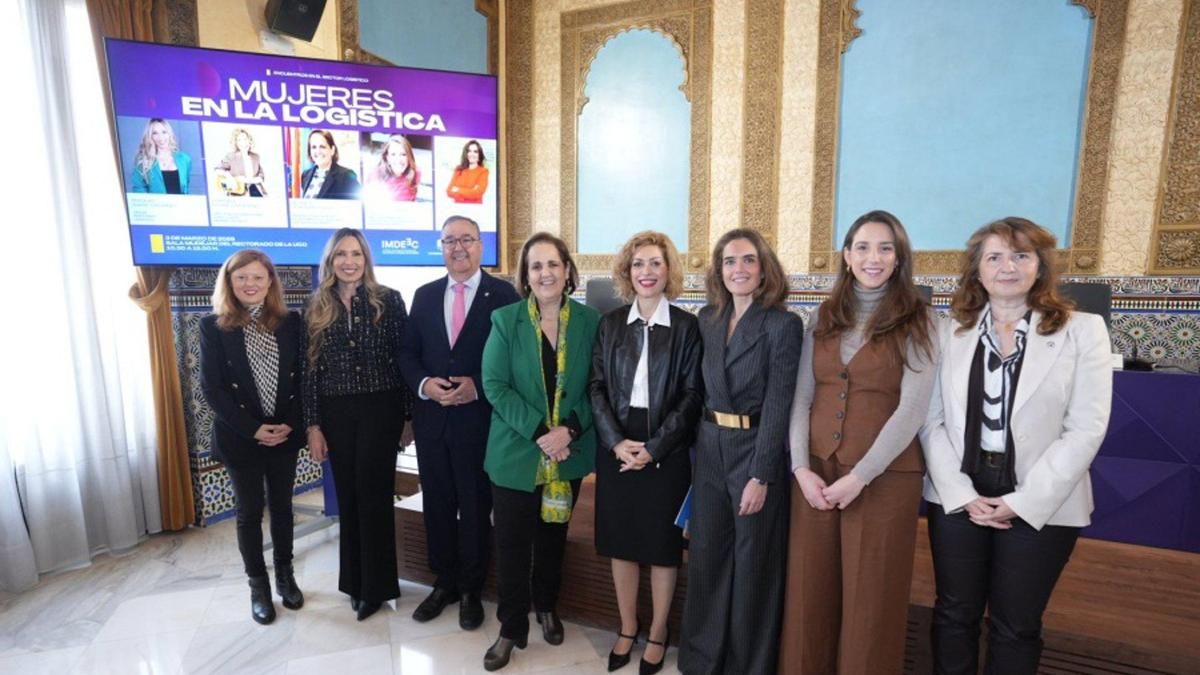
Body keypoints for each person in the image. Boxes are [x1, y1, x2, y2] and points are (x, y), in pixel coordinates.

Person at [921, 217, 1112, 674]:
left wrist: (1023, 502)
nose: (1007, 266)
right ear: (977, 270)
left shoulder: (1083, 331)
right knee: (953, 615)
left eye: (1021, 255)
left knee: (1016, 624)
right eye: (995, 256)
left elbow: (1086, 427)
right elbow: (932, 422)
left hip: (1042, 498)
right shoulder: (949, 332)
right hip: (958, 493)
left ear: (1040, 266)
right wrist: (963, 494)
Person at [778, 210, 937, 673]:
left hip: (884, 479)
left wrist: (862, 475)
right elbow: (801, 398)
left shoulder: (920, 320)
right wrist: (799, 469)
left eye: (885, 248)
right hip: (816, 474)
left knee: (872, 601)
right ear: (847, 256)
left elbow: (912, 410)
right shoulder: (822, 317)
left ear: (899, 257)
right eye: (863, 247)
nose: (874, 257)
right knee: (810, 592)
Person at [679, 228, 803, 675]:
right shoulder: (707, 318)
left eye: (748, 260)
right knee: (708, 559)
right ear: (719, 270)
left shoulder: (783, 324)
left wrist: (762, 474)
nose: (739, 269)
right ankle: (700, 661)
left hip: (756, 451)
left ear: (764, 267)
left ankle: (747, 665)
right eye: (729, 261)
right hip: (710, 450)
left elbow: (779, 403)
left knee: (753, 566)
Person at [479, 232, 601, 671]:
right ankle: (511, 627)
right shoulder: (504, 320)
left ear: (567, 270)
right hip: (516, 453)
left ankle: (547, 606)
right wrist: (540, 432)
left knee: (553, 539)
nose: (545, 273)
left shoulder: (591, 322)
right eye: (536, 266)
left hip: (568, 452)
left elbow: (598, 388)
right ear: (525, 276)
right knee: (512, 545)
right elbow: (494, 384)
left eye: (553, 264)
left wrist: (567, 430)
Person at [588, 231, 702, 674]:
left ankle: (658, 631)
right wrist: (616, 441)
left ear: (668, 270)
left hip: (665, 448)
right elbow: (596, 387)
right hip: (617, 441)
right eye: (638, 264)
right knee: (622, 542)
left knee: (660, 546)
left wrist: (654, 449)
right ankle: (627, 626)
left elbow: (692, 396)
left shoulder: (688, 327)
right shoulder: (611, 323)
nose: (647, 272)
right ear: (626, 271)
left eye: (656, 263)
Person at [399, 216, 519, 630]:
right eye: (449, 240)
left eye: (466, 239)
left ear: (481, 245)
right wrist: (424, 385)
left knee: (473, 507)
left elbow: (515, 364)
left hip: (480, 424)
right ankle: (443, 582)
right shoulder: (425, 295)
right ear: (441, 247)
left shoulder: (505, 296)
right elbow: (408, 356)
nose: (458, 248)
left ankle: (471, 589)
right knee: (436, 504)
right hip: (433, 423)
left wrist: (479, 389)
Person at [302, 228, 412, 621]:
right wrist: (313, 425)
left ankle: (378, 588)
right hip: (335, 413)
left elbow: (405, 361)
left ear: (366, 259)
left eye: (357, 254)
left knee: (375, 496)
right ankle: (354, 583)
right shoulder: (315, 306)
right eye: (341, 255)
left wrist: (408, 416)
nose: (349, 261)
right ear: (330, 261)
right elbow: (309, 371)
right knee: (348, 498)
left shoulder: (389, 301)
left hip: (381, 411)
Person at [199, 250, 305, 625]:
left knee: (282, 507)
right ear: (229, 283)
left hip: (285, 433)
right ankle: (258, 586)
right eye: (242, 278)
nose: (250, 284)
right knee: (248, 512)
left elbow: (304, 378)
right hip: (240, 436)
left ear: (270, 282)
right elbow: (212, 389)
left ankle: (285, 576)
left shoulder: (292, 322)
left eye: (258, 278)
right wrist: (254, 428)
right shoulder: (213, 326)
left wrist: (289, 424)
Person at [130, 117, 191, 194]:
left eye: (164, 132)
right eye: (155, 133)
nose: (161, 137)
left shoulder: (184, 159)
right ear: (150, 136)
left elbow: (186, 190)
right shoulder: (142, 161)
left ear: (169, 134)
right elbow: (139, 192)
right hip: (154, 206)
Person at [300, 130, 361, 199]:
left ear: (332, 150)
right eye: (314, 147)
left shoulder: (346, 176)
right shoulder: (305, 175)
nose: (318, 151)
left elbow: (358, 205)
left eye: (322, 147)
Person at [368, 134, 420, 201]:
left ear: (409, 156)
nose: (398, 159)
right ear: (387, 157)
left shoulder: (415, 172)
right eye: (393, 154)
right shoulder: (376, 175)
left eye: (403, 154)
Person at [216, 127, 267, 197]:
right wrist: (230, 178)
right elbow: (218, 170)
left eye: (245, 139)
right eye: (239, 140)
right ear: (236, 143)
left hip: (256, 192)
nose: (243, 142)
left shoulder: (255, 157)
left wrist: (248, 180)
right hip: (238, 195)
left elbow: (261, 177)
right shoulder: (231, 156)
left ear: (250, 140)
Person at [445, 140, 489, 204]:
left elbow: (478, 193)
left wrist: (458, 190)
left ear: (479, 155)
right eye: (469, 151)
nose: (472, 154)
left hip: (475, 209)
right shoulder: (458, 169)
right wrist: (471, 191)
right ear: (466, 153)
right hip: (457, 208)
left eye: (475, 152)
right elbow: (449, 191)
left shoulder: (483, 171)